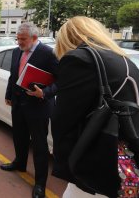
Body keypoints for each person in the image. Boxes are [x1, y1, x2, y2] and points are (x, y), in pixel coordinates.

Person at [52, 16, 139, 197]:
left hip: (94, 162)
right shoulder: (125, 60)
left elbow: (63, 120)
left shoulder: (79, 59)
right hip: (125, 161)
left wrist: (63, 161)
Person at [0, 22, 58, 198]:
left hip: (38, 107)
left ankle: (40, 183)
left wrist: (44, 93)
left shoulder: (48, 54)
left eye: (22, 39)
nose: (18, 42)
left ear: (34, 38)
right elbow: (13, 74)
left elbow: (60, 81)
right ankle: (20, 163)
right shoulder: (18, 51)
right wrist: (9, 94)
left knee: (39, 146)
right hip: (18, 104)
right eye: (17, 38)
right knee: (19, 137)